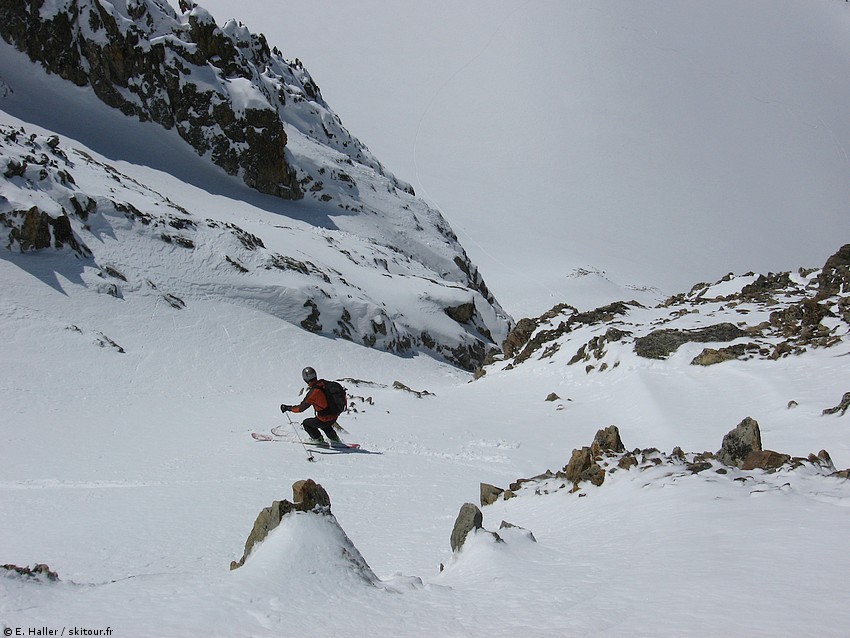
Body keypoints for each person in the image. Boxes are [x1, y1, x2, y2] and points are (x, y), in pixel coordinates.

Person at [280, 366, 344, 446]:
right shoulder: (324, 384)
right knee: (325, 424)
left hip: (324, 418)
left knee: (307, 423)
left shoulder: (314, 392)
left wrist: (288, 408)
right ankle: (335, 439)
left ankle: (318, 439)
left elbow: (301, 408)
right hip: (334, 416)